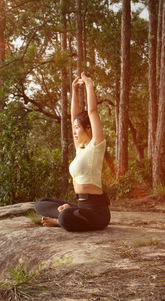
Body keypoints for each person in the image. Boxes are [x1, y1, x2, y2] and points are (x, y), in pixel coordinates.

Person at [34, 72, 110, 232]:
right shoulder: (80, 149)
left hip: (97, 211)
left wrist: (89, 85)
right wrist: (74, 90)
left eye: (77, 128)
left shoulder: (96, 146)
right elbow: (74, 115)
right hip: (81, 206)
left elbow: (93, 112)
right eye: (74, 128)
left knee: (65, 216)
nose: (74, 132)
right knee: (40, 203)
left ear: (88, 128)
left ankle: (59, 219)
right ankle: (67, 211)